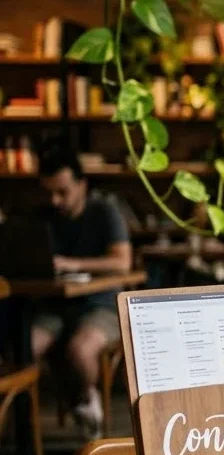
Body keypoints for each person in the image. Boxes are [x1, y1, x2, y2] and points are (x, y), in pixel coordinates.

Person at [32, 149, 133, 436]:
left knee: (80, 349)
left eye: (62, 192)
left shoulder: (105, 211)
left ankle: (87, 402)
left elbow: (122, 262)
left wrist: (71, 263)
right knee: (27, 345)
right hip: (56, 305)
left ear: (82, 185)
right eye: (49, 193)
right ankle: (32, 427)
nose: (55, 201)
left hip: (102, 304)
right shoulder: (43, 216)